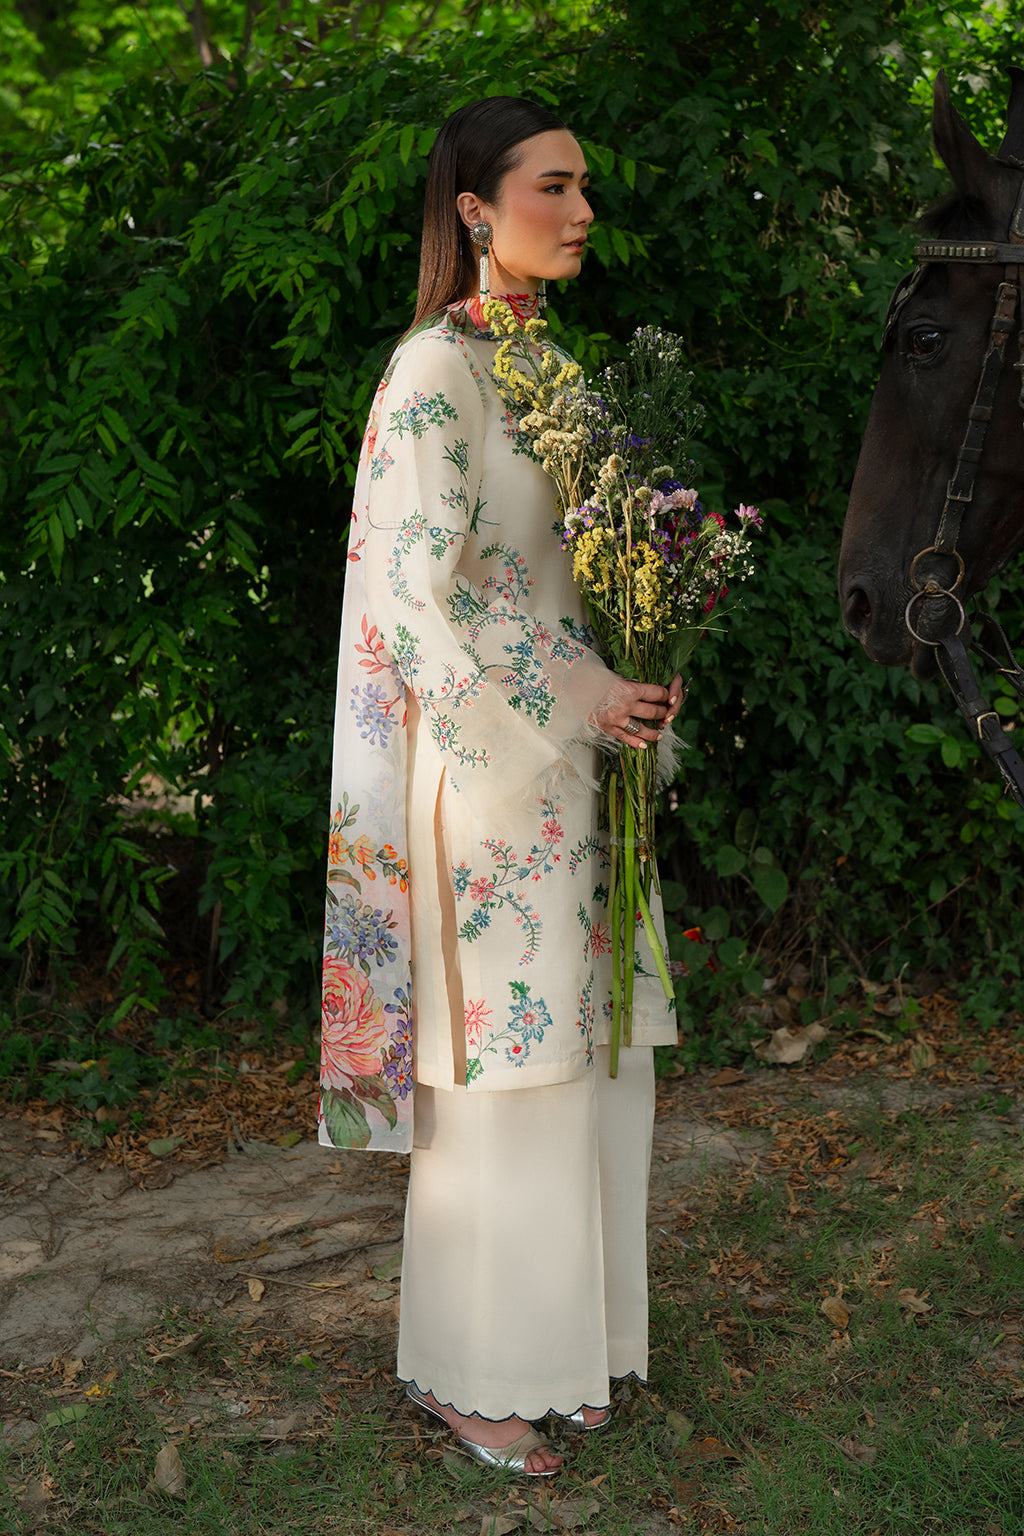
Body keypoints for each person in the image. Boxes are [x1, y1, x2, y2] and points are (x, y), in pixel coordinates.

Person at [319, 95, 682, 1477]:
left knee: (585, 1058)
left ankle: (565, 1350)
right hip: (485, 774)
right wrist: (580, 692)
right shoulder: (434, 376)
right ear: (477, 205)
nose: (583, 210)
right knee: (505, 1071)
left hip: (578, 771)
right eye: (555, 186)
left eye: (586, 187)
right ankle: (470, 1374)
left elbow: (579, 567)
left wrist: (651, 651)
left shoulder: (546, 368)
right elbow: (419, 603)